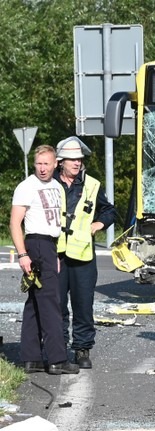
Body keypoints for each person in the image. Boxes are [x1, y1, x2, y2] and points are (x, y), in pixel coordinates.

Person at [10, 145, 79, 375]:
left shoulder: (56, 186)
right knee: (51, 302)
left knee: (35, 302)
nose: (42, 168)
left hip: (49, 245)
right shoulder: (26, 187)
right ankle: (57, 359)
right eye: (38, 163)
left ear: (55, 164)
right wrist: (23, 254)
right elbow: (15, 223)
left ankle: (32, 358)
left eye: (46, 164)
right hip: (36, 244)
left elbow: (55, 223)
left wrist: (56, 253)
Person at [53, 136, 117, 369]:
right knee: (56, 305)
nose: (77, 163)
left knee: (83, 305)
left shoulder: (92, 184)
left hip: (83, 255)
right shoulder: (49, 183)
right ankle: (58, 348)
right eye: (72, 159)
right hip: (57, 254)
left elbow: (109, 210)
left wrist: (99, 224)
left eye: (79, 159)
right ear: (61, 161)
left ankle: (82, 349)